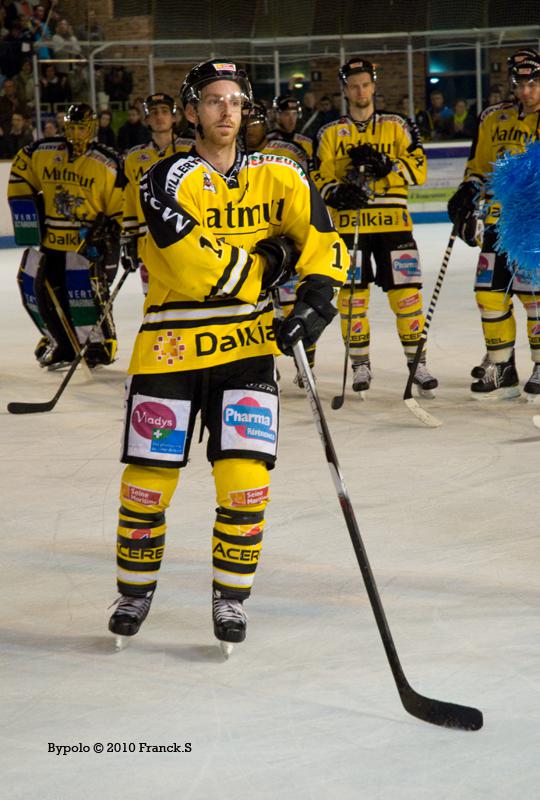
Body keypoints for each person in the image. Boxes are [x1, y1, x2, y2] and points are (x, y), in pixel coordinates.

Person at [107, 59, 347, 653]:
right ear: (191, 111)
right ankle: (134, 591)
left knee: (244, 482)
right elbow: (193, 267)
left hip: (247, 350)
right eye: (212, 101)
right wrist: (271, 263)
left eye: (234, 101)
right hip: (168, 351)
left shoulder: (281, 176)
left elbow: (322, 242)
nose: (225, 112)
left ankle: (230, 597)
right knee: (147, 483)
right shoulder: (165, 177)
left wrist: (317, 297)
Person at [312, 56, 437, 395]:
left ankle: (417, 364)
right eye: (354, 86)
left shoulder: (398, 125)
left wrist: (387, 166)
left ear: (374, 86)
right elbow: (316, 175)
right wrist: (335, 193)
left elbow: (419, 168)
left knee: (407, 296)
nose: (360, 90)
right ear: (345, 90)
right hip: (350, 227)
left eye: (365, 84)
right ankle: (360, 365)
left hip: (393, 225)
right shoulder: (328, 131)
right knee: (353, 300)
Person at [448, 49, 540, 399]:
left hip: (534, 225)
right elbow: (480, 166)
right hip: (497, 224)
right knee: (488, 294)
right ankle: (502, 367)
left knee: (535, 299)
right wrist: (467, 191)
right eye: (521, 83)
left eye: (533, 83)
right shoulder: (493, 117)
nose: (527, 90)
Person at [8, 103, 124, 369]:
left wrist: (112, 229)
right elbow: (20, 171)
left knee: (86, 293)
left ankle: (99, 344)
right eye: (72, 127)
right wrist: (26, 207)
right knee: (38, 290)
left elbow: (122, 204)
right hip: (51, 241)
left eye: (82, 127)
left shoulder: (108, 160)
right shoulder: (43, 151)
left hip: (86, 245)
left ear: (92, 127)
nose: (77, 133)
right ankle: (62, 342)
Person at [122, 92, 192, 293]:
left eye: (164, 112)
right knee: (154, 297)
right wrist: (129, 238)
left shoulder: (192, 150)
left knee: (187, 297)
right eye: (154, 112)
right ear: (146, 119)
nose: (159, 117)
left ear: (174, 117)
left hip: (185, 238)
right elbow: (130, 200)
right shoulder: (134, 157)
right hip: (148, 240)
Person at [267, 94, 313, 168]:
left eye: (294, 114)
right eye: (287, 114)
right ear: (277, 115)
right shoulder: (267, 142)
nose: (292, 120)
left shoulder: (307, 143)